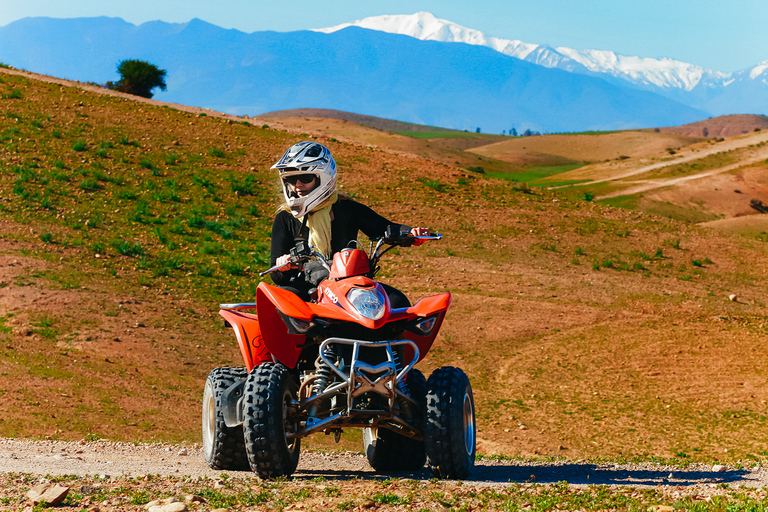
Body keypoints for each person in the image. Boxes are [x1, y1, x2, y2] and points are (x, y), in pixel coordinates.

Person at [269, 141, 428, 307]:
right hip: (307, 286)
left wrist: (411, 233)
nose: (297, 185)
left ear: (323, 178)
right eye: (291, 179)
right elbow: (276, 275)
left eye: (305, 177)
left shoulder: (347, 208)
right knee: (282, 303)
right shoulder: (285, 217)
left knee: (398, 302)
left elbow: (385, 228)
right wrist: (283, 266)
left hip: (350, 285)